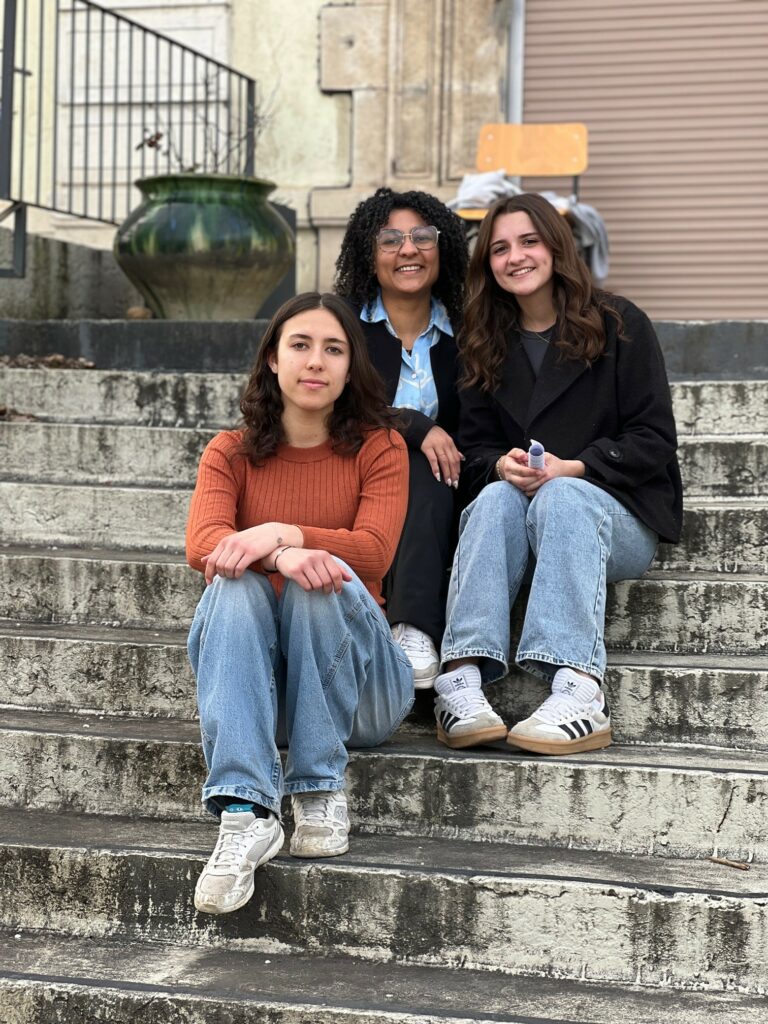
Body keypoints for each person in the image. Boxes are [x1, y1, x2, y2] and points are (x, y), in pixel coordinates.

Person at [186, 292, 413, 915]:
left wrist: (284, 536)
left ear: (350, 367)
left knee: (323, 577)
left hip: (363, 693)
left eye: (333, 349)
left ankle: (319, 786)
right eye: (301, 345)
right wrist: (278, 556)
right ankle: (246, 812)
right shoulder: (229, 452)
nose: (316, 361)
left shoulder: (380, 447)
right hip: (267, 698)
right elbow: (204, 545)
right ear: (273, 358)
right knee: (233, 583)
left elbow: (373, 553)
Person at [433, 193, 683, 754]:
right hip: (521, 516)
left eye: (529, 241)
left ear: (556, 246)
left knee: (563, 496)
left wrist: (577, 467)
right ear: (488, 264)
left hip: (614, 518)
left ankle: (579, 691)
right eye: (500, 248)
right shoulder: (483, 340)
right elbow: (474, 449)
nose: (515, 257)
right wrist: (501, 465)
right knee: (494, 498)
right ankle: (461, 682)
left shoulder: (620, 323)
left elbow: (653, 439)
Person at [335, 187, 469, 689]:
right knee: (409, 453)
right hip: (354, 476)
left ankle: (414, 630)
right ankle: (407, 626)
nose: (408, 249)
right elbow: (331, 402)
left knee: (429, 464)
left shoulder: (472, 329)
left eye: (422, 237)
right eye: (390, 239)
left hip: (448, 487)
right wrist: (415, 426)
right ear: (369, 255)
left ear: (441, 247)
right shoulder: (342, 323)